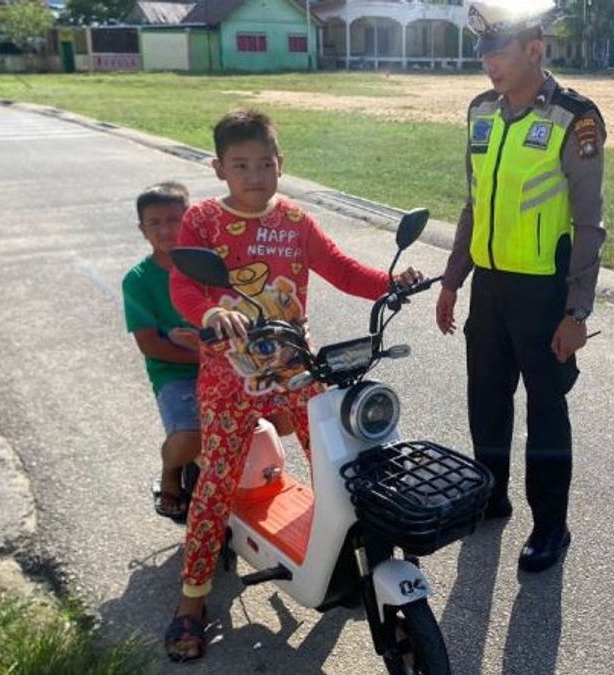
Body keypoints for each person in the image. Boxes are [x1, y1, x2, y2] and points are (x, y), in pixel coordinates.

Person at [163, 109, 423, 662]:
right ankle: (192, 600)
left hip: (296, 367)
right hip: (228, 376)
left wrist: (390, 283)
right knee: (216, 481)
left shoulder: (296, 221)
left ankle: (349, 562)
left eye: (264, 164)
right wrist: (211, 314)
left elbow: (341, 268)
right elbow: (184, 284)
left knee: (343, 462)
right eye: (240, 165)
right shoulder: (204, 222)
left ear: (281, 165)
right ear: (219, 168)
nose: (254, 175)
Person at [436, 0, 609, 574]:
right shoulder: (480, 111)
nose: (486, 61)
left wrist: (576, 312)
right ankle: (490, 496)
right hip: (489, 288)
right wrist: (452, 281)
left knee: (545, 409)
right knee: (486, 401)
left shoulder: (574, 117)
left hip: (543, 295)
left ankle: (551, 527)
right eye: (481, 49)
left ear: (534, 50)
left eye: (497, 49)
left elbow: (589, 224)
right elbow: (472, 202)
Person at [122, 182, 203, 523]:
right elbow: (150, 344)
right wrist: (205, 358)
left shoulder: (208, 265)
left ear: (190, 219)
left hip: (230, 364)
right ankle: (171, 472)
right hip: (175, 372)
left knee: (279, 419)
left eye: (175, 219)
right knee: (190, 436)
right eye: (155, 223)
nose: (167, 229)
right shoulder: (138, 280)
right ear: (143, 230)